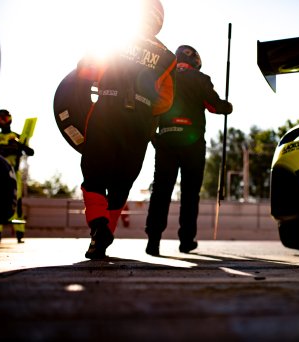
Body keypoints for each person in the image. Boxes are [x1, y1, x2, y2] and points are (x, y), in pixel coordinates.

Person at [77, 0, 176, 259]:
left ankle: (98, 227)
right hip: (140, 123)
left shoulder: (114, 39)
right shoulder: (167, 57)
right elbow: (165, 101)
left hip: (107, 113)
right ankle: (103, 237)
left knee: (94, 173)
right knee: (122, 182)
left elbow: (86, 69)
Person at [144, 45, 233, 256]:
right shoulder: (200, 78)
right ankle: (186, 241)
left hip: (166, 138)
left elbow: (150, 105)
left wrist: (153, 136)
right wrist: (227, 106)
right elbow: (214, 106)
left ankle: (153, 241)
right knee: (190, 193)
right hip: (192, 143)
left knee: (161, 190)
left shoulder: (164, 76)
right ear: (196, 62)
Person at [0, 109, 35, 244]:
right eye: (0, 119)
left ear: (10, 119)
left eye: (5, 118)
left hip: (15, 174)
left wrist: (20, 145)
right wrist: (8, 147)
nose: (3, 122)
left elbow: (30, 152)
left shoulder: (19, 137)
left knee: (16, 202)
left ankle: (19, 233)